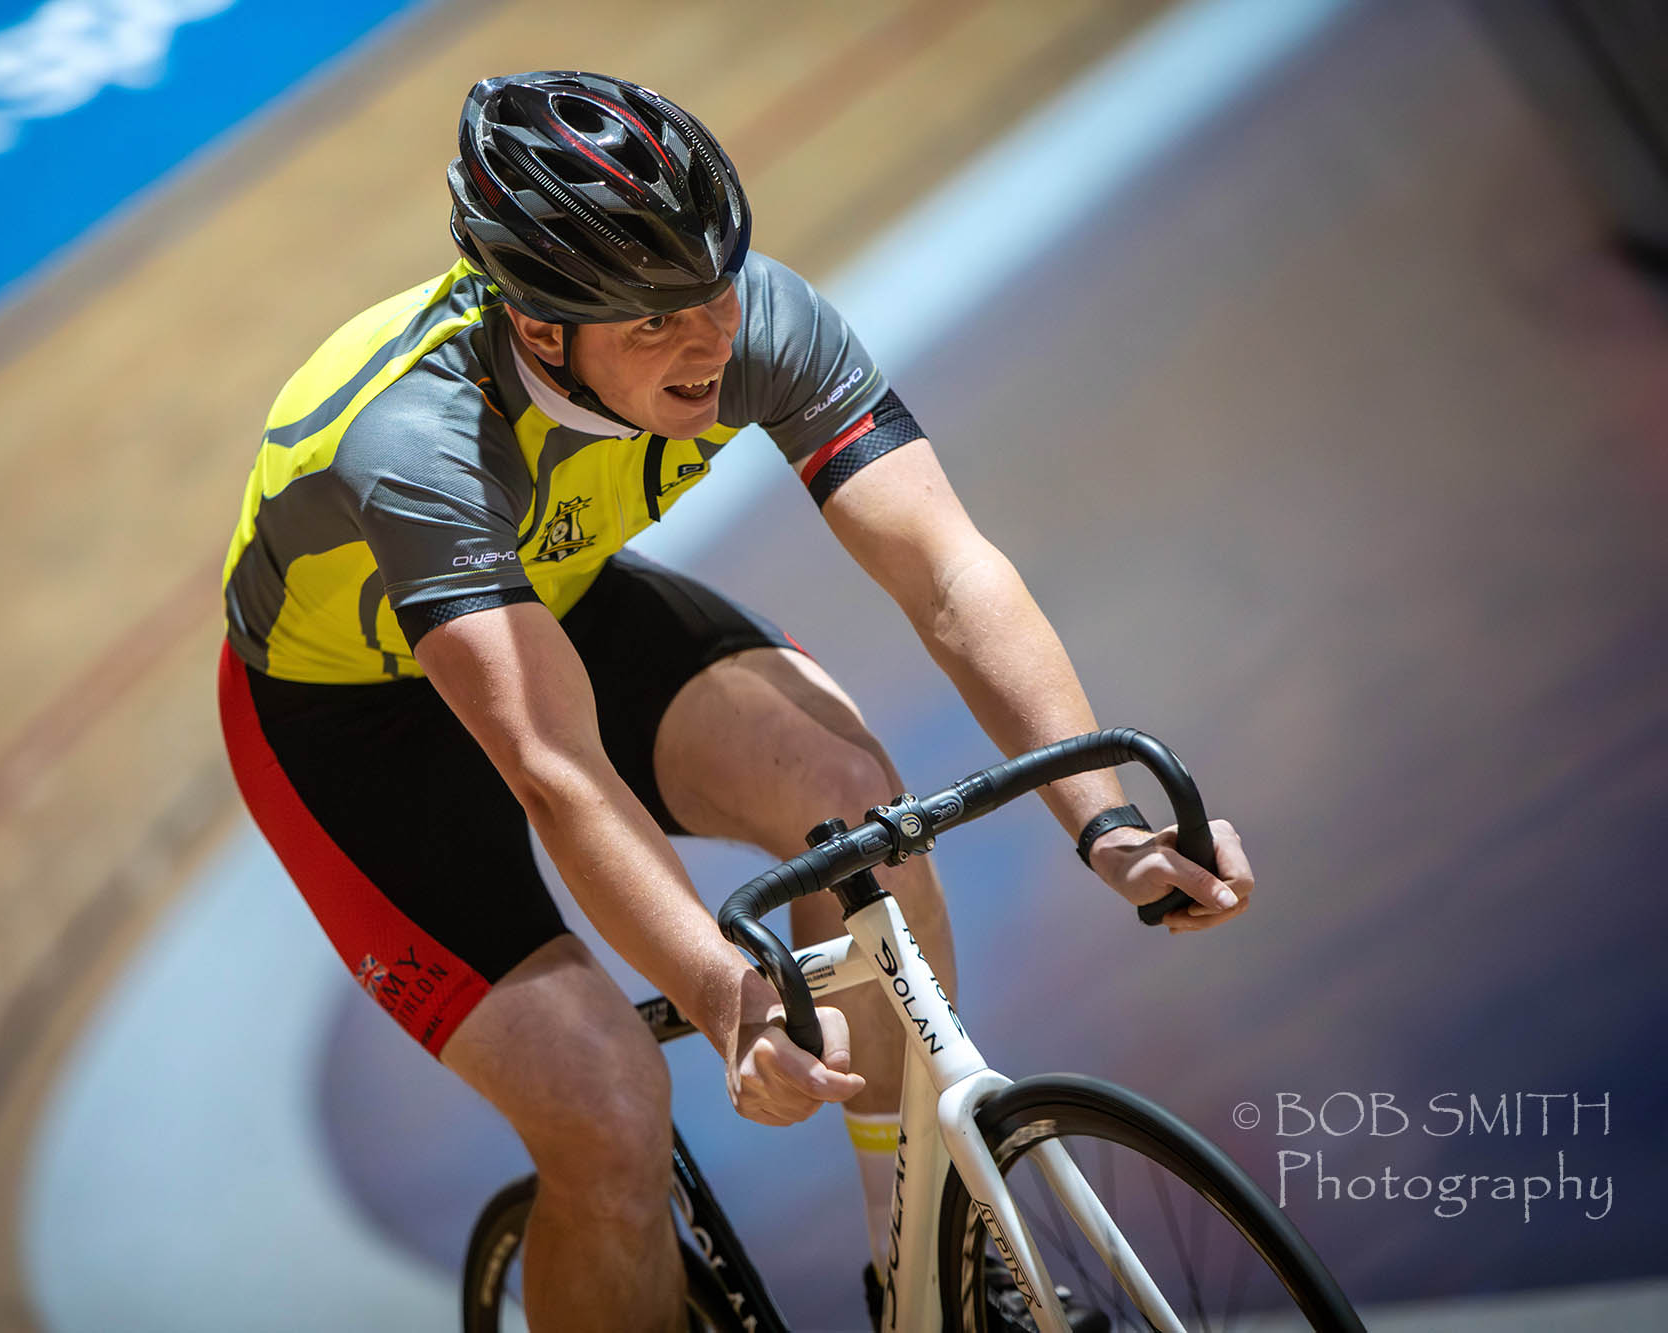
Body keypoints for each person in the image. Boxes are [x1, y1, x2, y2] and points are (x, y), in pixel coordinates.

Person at [216, 70, 1254, 1332]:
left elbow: (945, 567)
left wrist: (1102, 819)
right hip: (351, 727)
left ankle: (920, 1260)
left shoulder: (755, 320)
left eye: (709, 291)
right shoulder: (413, 436)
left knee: (852, 810)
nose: (705, 342)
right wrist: (726, 998)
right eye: (649, 325)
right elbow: (553, 768)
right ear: (541, 328)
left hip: (553, 605)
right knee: (603, 1109)